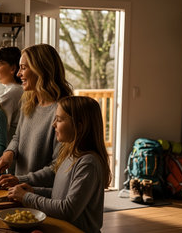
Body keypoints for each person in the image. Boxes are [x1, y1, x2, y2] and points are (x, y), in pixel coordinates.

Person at [7, 96, 112, 233]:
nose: (53, 124)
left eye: (60, 119)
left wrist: (27, 197)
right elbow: (60, 194)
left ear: (79, 127)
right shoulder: (69, 155)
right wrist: (33, 191)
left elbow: (68, 210)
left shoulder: (88, 163)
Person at [0, 44, 73, 185]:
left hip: (42, 196)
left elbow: (57, 167)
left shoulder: (63, 111)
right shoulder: (29, 102)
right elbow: (18, 137)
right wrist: (9, 153)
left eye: (23, 68)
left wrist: (21, 180)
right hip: (20, 192)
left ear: (41, 70)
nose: (18, 74)